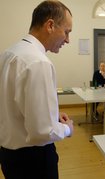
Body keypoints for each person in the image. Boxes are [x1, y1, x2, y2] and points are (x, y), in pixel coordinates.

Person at [0, 1, 74, 179]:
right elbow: (42, 132)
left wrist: (52, 115)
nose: (68, 40)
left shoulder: (8, 54)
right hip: (33, 161)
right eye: (66, 32)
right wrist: (67, 129)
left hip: (8, 155)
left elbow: (13, 105)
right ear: (50, 25)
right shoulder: (38, 62)